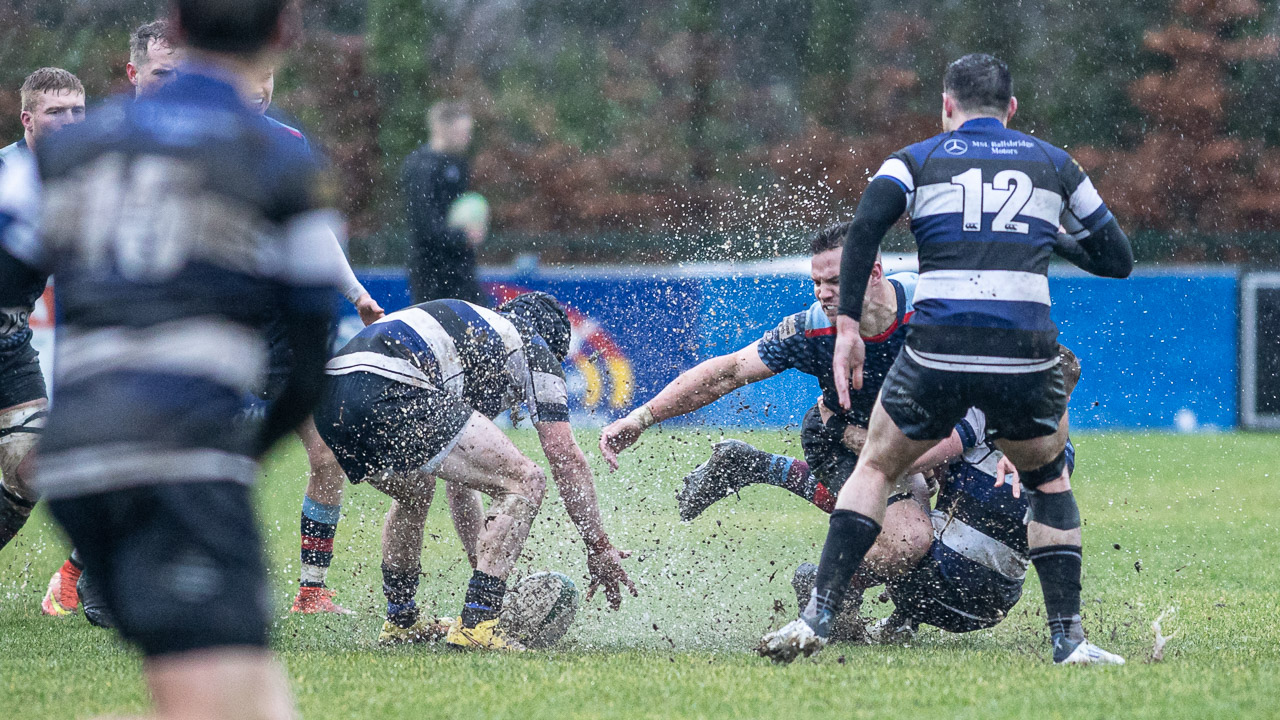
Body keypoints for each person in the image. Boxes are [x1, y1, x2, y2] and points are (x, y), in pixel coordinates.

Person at [2, 0, 340, 716]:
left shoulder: (73, 147)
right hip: (178, 457)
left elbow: (11, 272)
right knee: (213, 695)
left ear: (177, 31)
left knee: (239, 685)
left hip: (75, 458)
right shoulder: (278, 156)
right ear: (286, 33)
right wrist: (246, 452)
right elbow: (311, 356)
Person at [759, 53, 1133, 666]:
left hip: (936, 347)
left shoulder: (916, 159)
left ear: (946, 107)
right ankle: (1068, 638)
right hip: (1023, 351)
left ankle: (817, 618)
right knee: (1047, 480)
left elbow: (864, 231)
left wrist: (847, 326)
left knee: (877, 470)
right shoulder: (1055, 164)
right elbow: (1116, 258)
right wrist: (1048, 234)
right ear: (1011, 110)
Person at [314, 292, 634, 650]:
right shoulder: (532, 342)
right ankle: (478, 625)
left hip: (330, 399)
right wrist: (599, 546)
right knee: (526, 480)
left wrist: (484, 561)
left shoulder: (480, 334)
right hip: (391, 385)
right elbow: (565, 457)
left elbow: (459, 481)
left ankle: (401, 619)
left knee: (415, 489)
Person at [600, 223, 917, 533]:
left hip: (919, 434)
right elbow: (728, 372)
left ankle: (756, 465)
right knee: (904, 538)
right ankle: (824, 585)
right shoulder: (812, 329)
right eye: (817, 282)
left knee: (952, 536)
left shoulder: (931, 309)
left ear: (874, 274)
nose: (823, 294)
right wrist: (641, 418)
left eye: (835, 281)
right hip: (837, 437)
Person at [791, 346, 1083, 645]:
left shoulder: (984, 415)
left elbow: (901, 460)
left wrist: (839, 428)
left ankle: (837, 584)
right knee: (933, 489)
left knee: (895, 483)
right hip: (992, 607)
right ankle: (901, 620)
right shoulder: (1063, 450)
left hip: (932, 584)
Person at [241, 62, 386, 615]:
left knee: (326, 456)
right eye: (249, 75)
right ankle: (83, 574)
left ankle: (312, 589)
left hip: (281, 331)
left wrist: (356, 294)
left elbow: (315, 231)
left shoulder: (289, 143)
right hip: (218, 325)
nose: (259, 86)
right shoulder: (198, 141)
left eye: (268, 76)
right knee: (184, 456)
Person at [0, 68, 87, 618]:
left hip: (10, 342)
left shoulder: (82, 179)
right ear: (28, 119)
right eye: (57, 112)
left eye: (78, 111)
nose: (71, 121)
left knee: (32, 471)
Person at [401, 101, 486, 306]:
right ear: (442, 128)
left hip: (461, 266)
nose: (468, 138)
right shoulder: (421, 166)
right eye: (462, 131)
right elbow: (425, 225)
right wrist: (462, 236)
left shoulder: (459, 163)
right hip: (432, 269)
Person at [126, 19, 182, 97]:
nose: (177, 84)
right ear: (133, 74)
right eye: (162, 73)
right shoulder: (111, 108)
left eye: (183, 75)